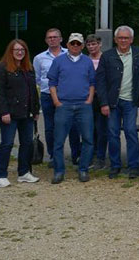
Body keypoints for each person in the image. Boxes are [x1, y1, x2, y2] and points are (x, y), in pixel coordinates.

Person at [96, 25, 139, 179]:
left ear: (131, 39)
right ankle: (115, 165)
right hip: (112, 102)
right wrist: (103, 103)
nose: (123, 40)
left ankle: (133, 166)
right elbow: (100, 81)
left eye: (126, 38)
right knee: (112, 133)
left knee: (131, 132)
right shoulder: (107, 56)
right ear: (115, 39)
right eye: (120, 38)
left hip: (130, 101)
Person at [47, 33, 96, 184]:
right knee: (59, 140)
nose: (75, 46)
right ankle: (59, 171)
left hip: (83, 105)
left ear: (82, 46)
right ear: (67, 45)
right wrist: (56, 101)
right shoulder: (58, 61)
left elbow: (92, 82)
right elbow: (52, 83)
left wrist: (89, 100)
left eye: (78, 44)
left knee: (88, 139)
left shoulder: (87, 61)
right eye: (72, 43)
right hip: (64, 105)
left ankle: (83, 169)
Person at [0, 40, 40, 187]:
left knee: (27, 143)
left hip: (26, 113)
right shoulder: (2, 68)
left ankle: (24, 172)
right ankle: (1, 175)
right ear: (10, 51)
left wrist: (35, 110)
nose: (19, 52)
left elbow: (33, 91)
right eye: (16, 50)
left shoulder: (28, 69)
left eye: (22, 50)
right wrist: (4, 112)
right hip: (9, 113)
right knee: (7, 143)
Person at [33, 28, 79, 169]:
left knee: (73, 126)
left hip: (67, 96)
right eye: (49, 37)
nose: (52, 39)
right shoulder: (39, 58)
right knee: (50, 127)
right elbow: (37, 78)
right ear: (46, 40)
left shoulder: (70, 53)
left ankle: (76, 154)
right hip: (48, 96)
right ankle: (54, 155)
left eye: (55, 37)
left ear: (61, 39)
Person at [85, 34, 108, 170]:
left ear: (99, 44)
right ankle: (89, 155)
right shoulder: (84, 60)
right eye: (89, 44)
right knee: (89, 129)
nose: (92, 47)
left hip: (101, 98)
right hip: (87, 98)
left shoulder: (106, 59)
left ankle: (100, 157)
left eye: (94, 44)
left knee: (101, 129)